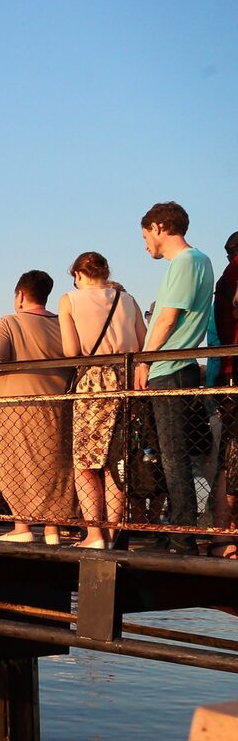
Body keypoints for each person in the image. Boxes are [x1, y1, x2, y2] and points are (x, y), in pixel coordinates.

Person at [133, 201, 218, 551]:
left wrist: (144, 362)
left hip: (169, 369)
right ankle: (180, 529)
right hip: (177, 368)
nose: (144, 245)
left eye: (145, 236)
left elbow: (167, 318)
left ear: (158, 227)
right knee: (171, 453)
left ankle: (183, 536)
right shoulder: (199, 260)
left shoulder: (186, 262)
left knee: (172, 454)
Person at [0, 270, 75, 544]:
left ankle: (22, 527)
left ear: (20, 295)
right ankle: (53, 529)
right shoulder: (63, 324)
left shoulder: (10, 322)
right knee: (55, 467)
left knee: (17, 465)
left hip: (18, 408)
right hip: (59, 407)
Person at [59, 251, 148, 549]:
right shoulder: (128, 299)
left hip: (93, 383)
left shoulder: (70, 300)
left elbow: (71, 351)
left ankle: (94, 534)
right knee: (116, 461)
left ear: (78, 275)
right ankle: (111, 533)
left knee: (85, 463)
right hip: (125, 380)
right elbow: (140, 342)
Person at [213, 231, 238, 557]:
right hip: (233, 375)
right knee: (232, 460)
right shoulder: (233, 273)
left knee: (230, 460)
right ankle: (223, 537)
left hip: (230, 374)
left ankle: (224, 537)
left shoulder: (227, 276)